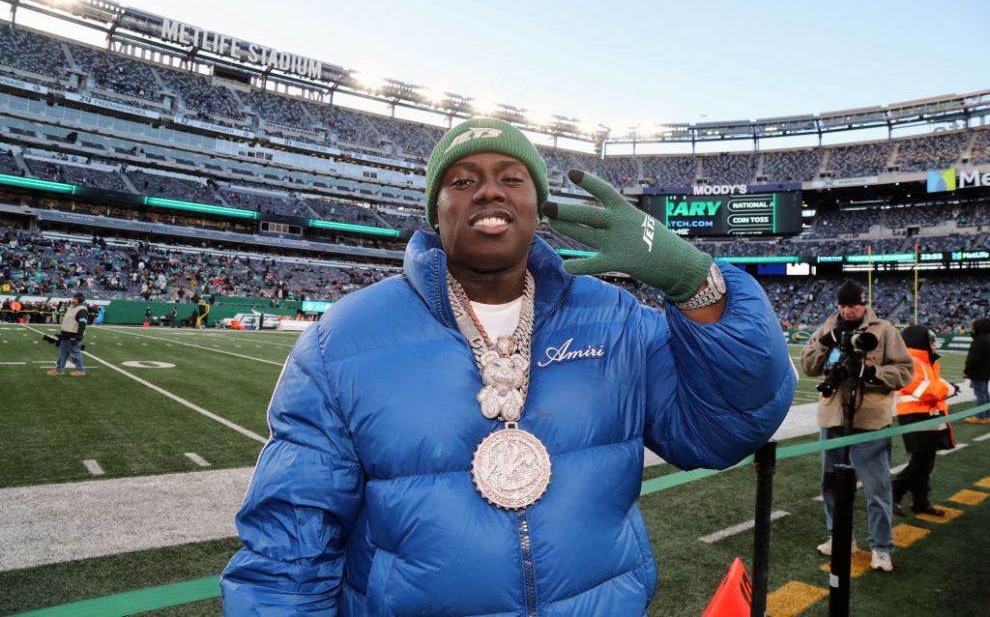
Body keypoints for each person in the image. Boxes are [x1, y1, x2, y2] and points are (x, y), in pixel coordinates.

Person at [221, 118, 796, 615]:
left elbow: (726, 428)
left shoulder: (615, 319)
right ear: (435, 211)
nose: (488, 192)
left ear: (537, 207)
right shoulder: (343, 338)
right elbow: (288, 548)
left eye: (511, 179)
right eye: (462, 180)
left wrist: (696, 281)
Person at [801, 280, 913, 572]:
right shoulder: (828, 328)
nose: (847, 311)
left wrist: (871, 371)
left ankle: (881, 546)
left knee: (877, 487)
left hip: (870, 419)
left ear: (864, 305)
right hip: (832, 417)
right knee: (830, 486)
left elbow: (905, 371)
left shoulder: (885, 330)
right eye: (842, 305)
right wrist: (825, 343)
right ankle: (839, 538)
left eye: (852, 305)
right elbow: (808, 367)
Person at [891, 326, 956, 517]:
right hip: (915, 416)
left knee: (926, 462)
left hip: (928, 414)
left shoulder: (925, 360)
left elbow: (934, 388)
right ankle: (894, 493)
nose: (935, 343)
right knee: (921, 462)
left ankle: (920, 501)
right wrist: (949, 388)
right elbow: (927, 391)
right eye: (931, 339)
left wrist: (944, 387)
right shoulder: (911, 361)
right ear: (920, 341)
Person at [47, 292, 89, 377]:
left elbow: (82, 323)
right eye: (73, 298)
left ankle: (80, 370)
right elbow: (68, 322)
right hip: (65, 335)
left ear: (80, 300)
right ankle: (59, 370)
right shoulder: (71, 308)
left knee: (75, 353)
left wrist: (79, 335)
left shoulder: (82, 309)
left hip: (73, 335)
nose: (73, 300)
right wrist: (61, 332)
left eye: (75, 298)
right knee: (62, 353)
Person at [963, 318, 990, 424]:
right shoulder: (987, 338)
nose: (972, 329)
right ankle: (987, 415)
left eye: (974, 327)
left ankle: (980, 417)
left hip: (978, 372)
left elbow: (973, 359)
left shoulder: (979, 340)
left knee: (980, 393)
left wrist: (967, 371)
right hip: (986, 371)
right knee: (985, 393)